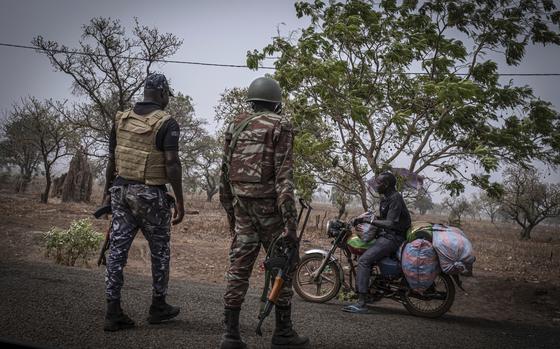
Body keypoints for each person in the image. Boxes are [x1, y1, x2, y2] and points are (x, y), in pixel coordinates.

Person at [219, 77, 309, 349]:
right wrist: (291, 225)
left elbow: (223, 173)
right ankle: (283, 334)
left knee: (239, 267)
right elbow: (284, 179)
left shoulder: (236, 124)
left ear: (252, 100)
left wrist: (230, 213)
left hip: (242, 207)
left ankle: (231, 336)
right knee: (284, 263)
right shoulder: (281, 125)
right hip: (270, 210)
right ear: (277, 103)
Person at [102, 73, 185, 331]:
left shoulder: (121, 119)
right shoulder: (167, 124)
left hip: (121, 191)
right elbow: (172, 164)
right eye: (168, 94)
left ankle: (112, 311)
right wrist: (180, 201)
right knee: (160, 251)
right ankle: (158, 306)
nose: (168, 98)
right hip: (150, 196)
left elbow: (112, 161)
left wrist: (107, 191)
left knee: (116, 251)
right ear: (162, 94)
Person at [342, 171, 411, 314]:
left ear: (386, 185)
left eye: (378, 183)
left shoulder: (395, 198)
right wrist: (362, 218)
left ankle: (361, 303)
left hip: (393, 238)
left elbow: (390, 222)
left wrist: (370, 221)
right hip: (387, 235)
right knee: (367, 256)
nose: (376, 185)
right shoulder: (386, 198)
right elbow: (383, 217)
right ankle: (373, 290)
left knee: (364, 261)